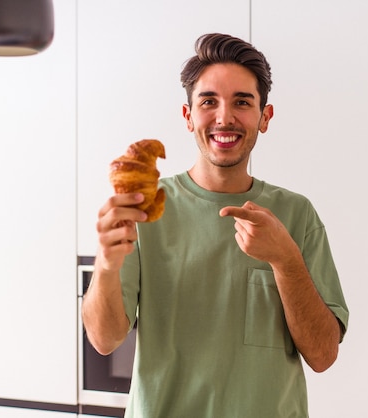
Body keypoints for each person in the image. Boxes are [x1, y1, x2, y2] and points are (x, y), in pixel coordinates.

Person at [82, 32, 349, 418]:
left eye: (242, 102)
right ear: (188, 116)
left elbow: (323, 355)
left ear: (265, 116)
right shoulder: (146, 211)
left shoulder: (296, 215)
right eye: (209, 101)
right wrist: (105, 264)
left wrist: (286, 260)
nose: (225, 117)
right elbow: (104, 340)